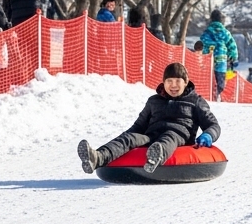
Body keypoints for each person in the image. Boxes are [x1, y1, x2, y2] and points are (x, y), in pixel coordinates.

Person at [77, 62, 220, 174]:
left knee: (169, 136)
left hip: (179, 137)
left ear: (186, 82)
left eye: (178, 81)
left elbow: (213, 125)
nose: (173, 85)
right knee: (130, 138)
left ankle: (155, 158)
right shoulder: (154, 101)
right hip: (151, 136)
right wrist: (127, 136)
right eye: (169, 81)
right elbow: (138, 126)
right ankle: (97, 158)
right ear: (164, 82)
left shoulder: (195, 101)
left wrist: (208, 135)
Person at [199, 9, 238, 101]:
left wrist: (201, 55)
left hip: (207, 62)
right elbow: (232, 46)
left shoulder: (206, 33)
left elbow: (201, 44)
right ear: (221, 20)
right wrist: (233, 57)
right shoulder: (225, 32)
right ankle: (216, 94)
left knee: (208, 81)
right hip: (221, 62)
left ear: (211, 19)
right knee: (220, 82)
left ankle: (209, 95)